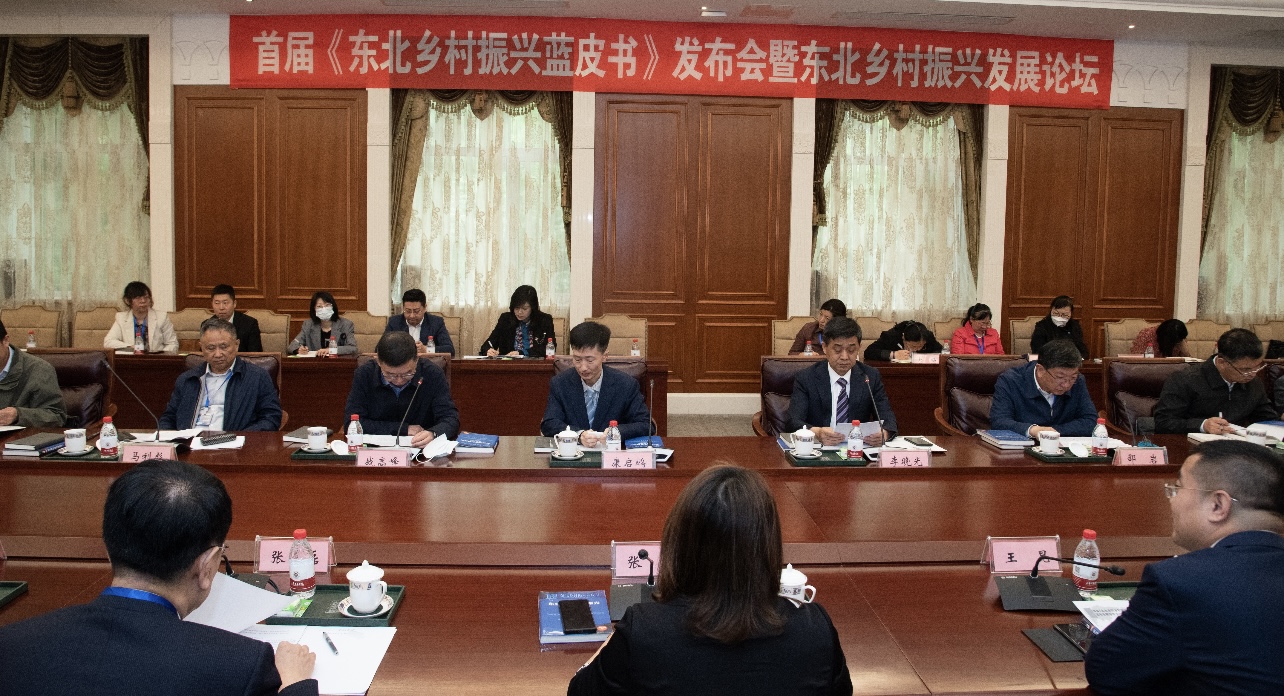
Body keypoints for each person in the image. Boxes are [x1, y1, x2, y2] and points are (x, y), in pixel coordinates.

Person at [0, 459, 318, 696]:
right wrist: (295, 684)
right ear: (207, 566)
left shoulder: (11, 646)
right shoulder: (239, 665)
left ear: (109, 549)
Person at [568, 465, 853, 696]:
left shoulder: (643, 631)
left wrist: (614, 640)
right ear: (767, 544)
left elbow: (579, 691)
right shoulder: (817, 629)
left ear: (681, 543)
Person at [1084, 440, 1284, 695]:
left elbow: (1106, 671)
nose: (1171, 500)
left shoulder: (1181, 581)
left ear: (1217, 505)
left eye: (1177, 488)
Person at [784, 316, 896, 446]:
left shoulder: (869, 376)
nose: (844, 357)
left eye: (851, 350)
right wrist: (817, 433)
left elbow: (888, 419)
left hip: (856, 449)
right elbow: (793, 421)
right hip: (819, 450)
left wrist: (885, 433)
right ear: (824, 347)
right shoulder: (807, 378)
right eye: (837, 350)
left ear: (859, 347)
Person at [159, 318, 282, 431]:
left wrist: (241, 437)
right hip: (189, 443)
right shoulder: (187, 379)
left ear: (236, 345)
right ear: (201, 347)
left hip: (233, 443)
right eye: (211, 348)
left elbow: (271, 417)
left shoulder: (256, 377)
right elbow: (169, 417)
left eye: (224, 347)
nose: (218, 354)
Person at [541, 321, 650, 445]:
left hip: (611, 452)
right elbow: (549, 423)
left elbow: (645, 424)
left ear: (604, 356)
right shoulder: (560, 383)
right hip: (573, 453)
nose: (583, 368)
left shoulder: (626, 385)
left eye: (590, 360)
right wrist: (578, 434)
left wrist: (616, 432)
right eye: (577, 359)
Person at [343, 331, 459, 445]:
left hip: (421, 449)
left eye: (407, 373)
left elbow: (450, 419)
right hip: (374, 450)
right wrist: (403, 429)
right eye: (390, 374)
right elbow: (352, 423)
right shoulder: (365, 374)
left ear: (416, 359)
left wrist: (433, 433)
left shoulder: (432, 374)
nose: (399, 381)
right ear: (378, 361)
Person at [1154, 328, 1276, 434]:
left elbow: (1266, 419)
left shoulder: (1254, 383)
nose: (1253, 374)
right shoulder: (1184, 380)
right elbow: (1163, 423)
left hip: (1237, 446)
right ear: (1221, 362)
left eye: (1257, 367)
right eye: (1245, 369)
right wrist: (1202, 425)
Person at [989, 339, 1098, 437]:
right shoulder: (1011, 381)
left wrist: (1052, 431)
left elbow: (1091, 421)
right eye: (1060, 377)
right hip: (1023, 448)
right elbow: (999, 421)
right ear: (1040, 370)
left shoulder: (1078, 381)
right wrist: (1033, 430)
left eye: (1072, 377)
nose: (1066, 385)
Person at [0, 319, 66, 427]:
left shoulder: (39, 369)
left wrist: (18, 415)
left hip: (22, 436)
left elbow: (57, 416)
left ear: (5, 341)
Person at [480, 285, 557, 357]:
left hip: (535, 364)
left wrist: (522, 353)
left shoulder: (544, 320)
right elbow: (488, 344)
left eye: (524, 308)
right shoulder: (505, 319)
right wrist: (488, 350)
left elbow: (550, 349)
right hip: (509, 364)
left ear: (533, 308)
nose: (519, 312)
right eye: (516, 308)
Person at [104, 281, 178, 353]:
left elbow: (172, 344)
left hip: (156, 358)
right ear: (127, 300)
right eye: (138, 298)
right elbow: (108, 342)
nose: (143, 301)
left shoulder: (161, 317)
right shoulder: (121, 318)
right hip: (131, 359)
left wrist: (161, 356)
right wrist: (132, 347)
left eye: (146, 297)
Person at [384, 288, 454, 356]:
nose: (412, 316)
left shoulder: (436, 322)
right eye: (408, 311)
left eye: (416, 311)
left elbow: (450, 349)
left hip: (427, 363)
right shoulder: (394, 322)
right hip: (401, 363)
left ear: (425, 308)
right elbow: (381, 348)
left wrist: (427, 349)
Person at [288, 291, 357, 356]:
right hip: (315, 363)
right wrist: (299, 350)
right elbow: (292, 346)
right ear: (314, 309)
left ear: (333, 307)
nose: (324, 309)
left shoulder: (346, 324)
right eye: (319, 306)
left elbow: (353, 348)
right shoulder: (308, 324)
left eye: (327, 305)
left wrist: (331, 350)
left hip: (337, 363)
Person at [210, 284, 263, 353]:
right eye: (217, 303)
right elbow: (203, 354)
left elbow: (255, 355)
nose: (221, 307)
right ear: (212, 304)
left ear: (234, 303)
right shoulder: (208, 325)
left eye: (225, 303)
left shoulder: (250, 324)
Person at [863, 320, 943, 362]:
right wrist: (893, 354)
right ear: (904, 338)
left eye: (921, 346)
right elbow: (869, 352)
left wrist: (927, 357)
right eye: (914, 346)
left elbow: (941, 351)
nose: (918, 349)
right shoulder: (891, 336)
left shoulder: (928, 336)